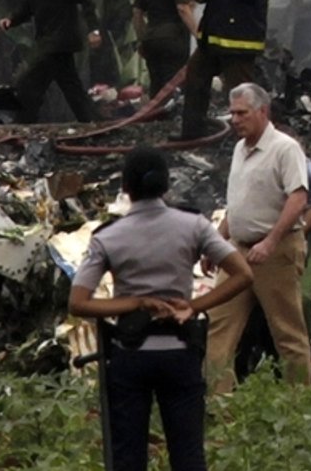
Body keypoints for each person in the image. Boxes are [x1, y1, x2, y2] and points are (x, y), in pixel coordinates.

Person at [70, 146, 254, 471]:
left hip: (129, 357)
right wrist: (194, 305)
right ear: (166, 186)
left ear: (125, 189)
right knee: (189, 455)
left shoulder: (108, 237)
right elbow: (243, 274)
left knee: (128, 456)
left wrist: (136, 302)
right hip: (180, 352)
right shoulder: (194, 225)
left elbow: (79, 302)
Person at [204, 84, 311, 392]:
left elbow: (298, 198)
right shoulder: (240, 149)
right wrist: (215, 243)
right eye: (233, 113)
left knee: (287, 331)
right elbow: (237, 205)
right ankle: (218, 401)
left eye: (242, 113)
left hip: (275, 252)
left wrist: (270, 241)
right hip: (238, 251)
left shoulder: (284, 148)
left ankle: (298, 404)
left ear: (262, 112)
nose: (235, 119)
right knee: (218, 324)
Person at [0, 0, 101, 122]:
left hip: (57, 42)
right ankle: (90, 123)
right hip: (50, 42)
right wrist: (11, 20)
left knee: (30, 82)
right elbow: (30, 6)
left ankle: (22, 125)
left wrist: (94, 30)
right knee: (69, 87)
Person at [182, 0, 270, 141]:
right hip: (212, 38)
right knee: (194, 79)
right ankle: (192, 132)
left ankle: (248, 139)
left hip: (239, 41)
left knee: (242, 93)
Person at [131, 0, 196, 97]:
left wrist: (142, 39)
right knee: (172, 83)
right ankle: (170, 117)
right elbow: (182, 8)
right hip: (173, 39)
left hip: (151, 39)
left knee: (156, 82)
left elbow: (137, 13)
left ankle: (155, 118)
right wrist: (198, 34)